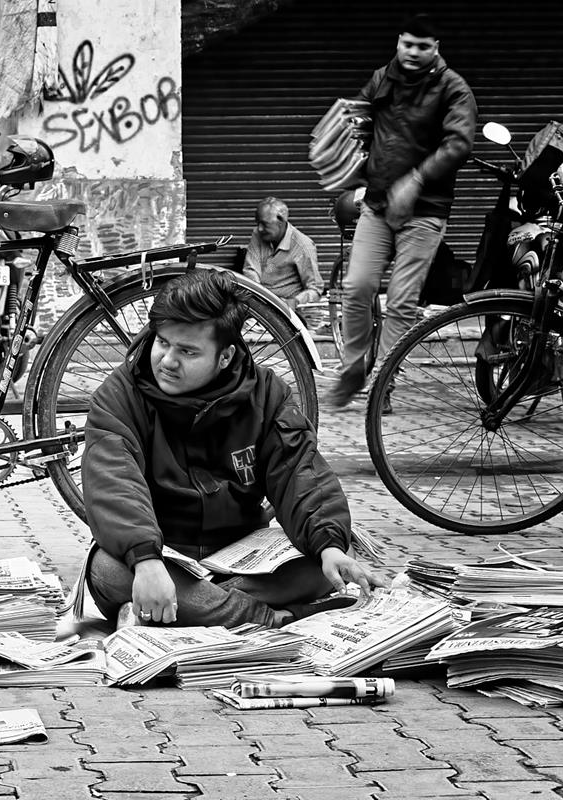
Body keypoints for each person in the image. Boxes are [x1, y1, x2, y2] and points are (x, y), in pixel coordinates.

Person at [82, 270, 387, 629]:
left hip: (239, 553)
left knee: (326, 562)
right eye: (162, 342)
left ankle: (204, 604)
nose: (166, 360)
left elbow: (299, 472)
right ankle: (269, 619)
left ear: (225, 357)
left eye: (187, 351)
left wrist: (329, 545)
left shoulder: (267, 394)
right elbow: (114, 483)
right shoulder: (118, 395)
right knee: (108, 570)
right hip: (161, 553)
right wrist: (146, 561)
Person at [327, 13, 477, 407]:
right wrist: (349, 166)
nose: (413, 53)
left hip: (425, 212)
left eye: (423, 47)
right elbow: (360, 125)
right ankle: (354, 368)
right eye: (408, 44)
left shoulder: (453, 89)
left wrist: (416, 179)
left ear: (435, 49)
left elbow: (459, 143)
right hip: (376, 206)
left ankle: (382, 383)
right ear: (398, 42)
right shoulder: (382, 78)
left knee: (401, 301)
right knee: (357, 287)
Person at [243, 197, 323, 314]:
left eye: (265, 224)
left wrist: (295, 302)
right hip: (259, 305)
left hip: (286, 310)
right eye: (258, 223)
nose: (259, 228)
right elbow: (251, 269)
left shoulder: (303, 245)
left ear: (281, 221)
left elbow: (315, 289)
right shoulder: (259, 234)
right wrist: (259, 296)